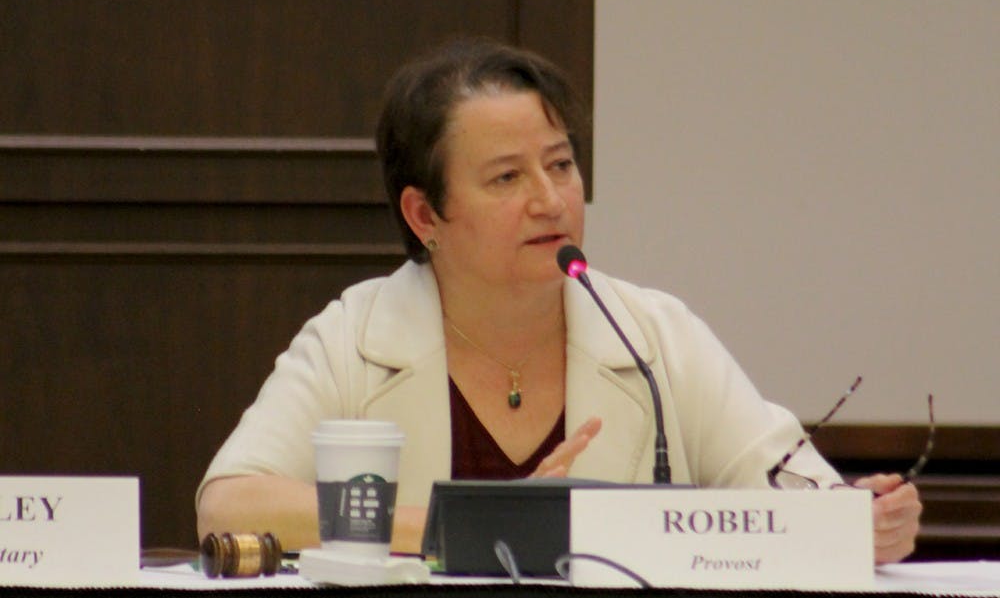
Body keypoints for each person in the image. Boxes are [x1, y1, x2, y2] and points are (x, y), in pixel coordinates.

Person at [196, 37, 921, 564]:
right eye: (507, 178)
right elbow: (227, 503)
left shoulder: (651, 333)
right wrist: (463, 524)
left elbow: (796, 495)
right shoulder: (355, 339)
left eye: (562, 165)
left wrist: (865, 519)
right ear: (425, 216)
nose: (551, 200)